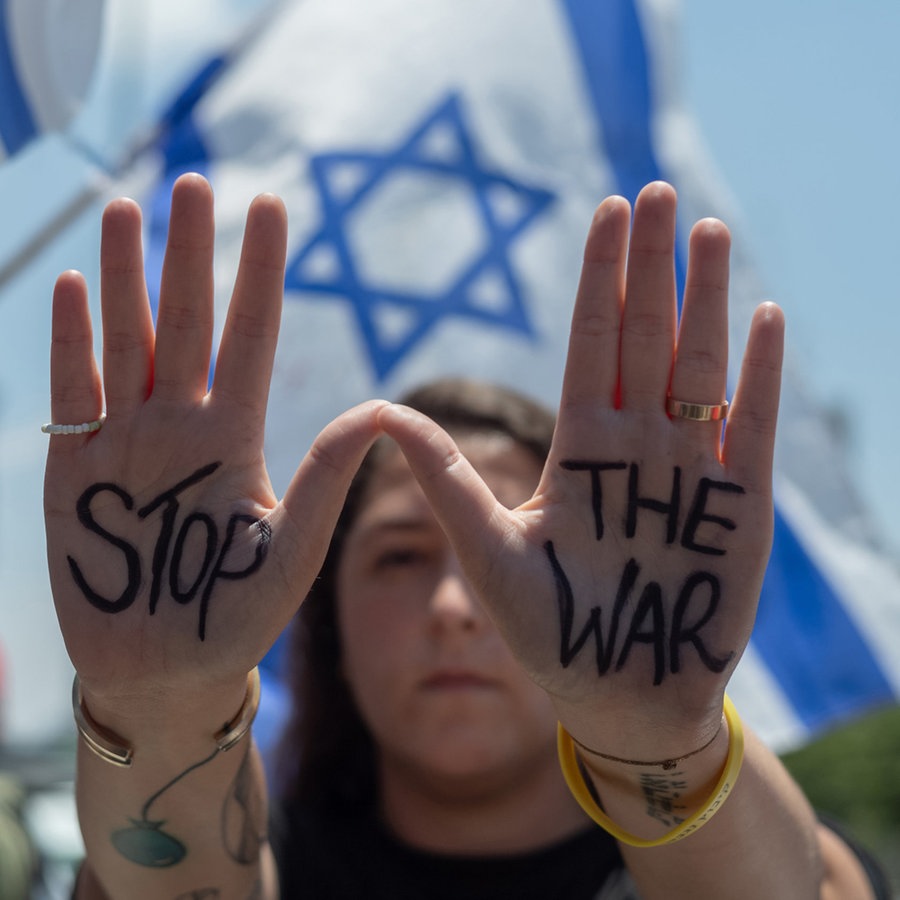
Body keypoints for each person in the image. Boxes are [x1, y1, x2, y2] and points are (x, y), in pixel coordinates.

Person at [44, 174, 888, 898]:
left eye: (519, 561)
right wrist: (160, 711)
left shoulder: (748, 847)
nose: (454, 607)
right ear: (328, 617)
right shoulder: (278, 863)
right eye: (400, 556)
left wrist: (660, 742)